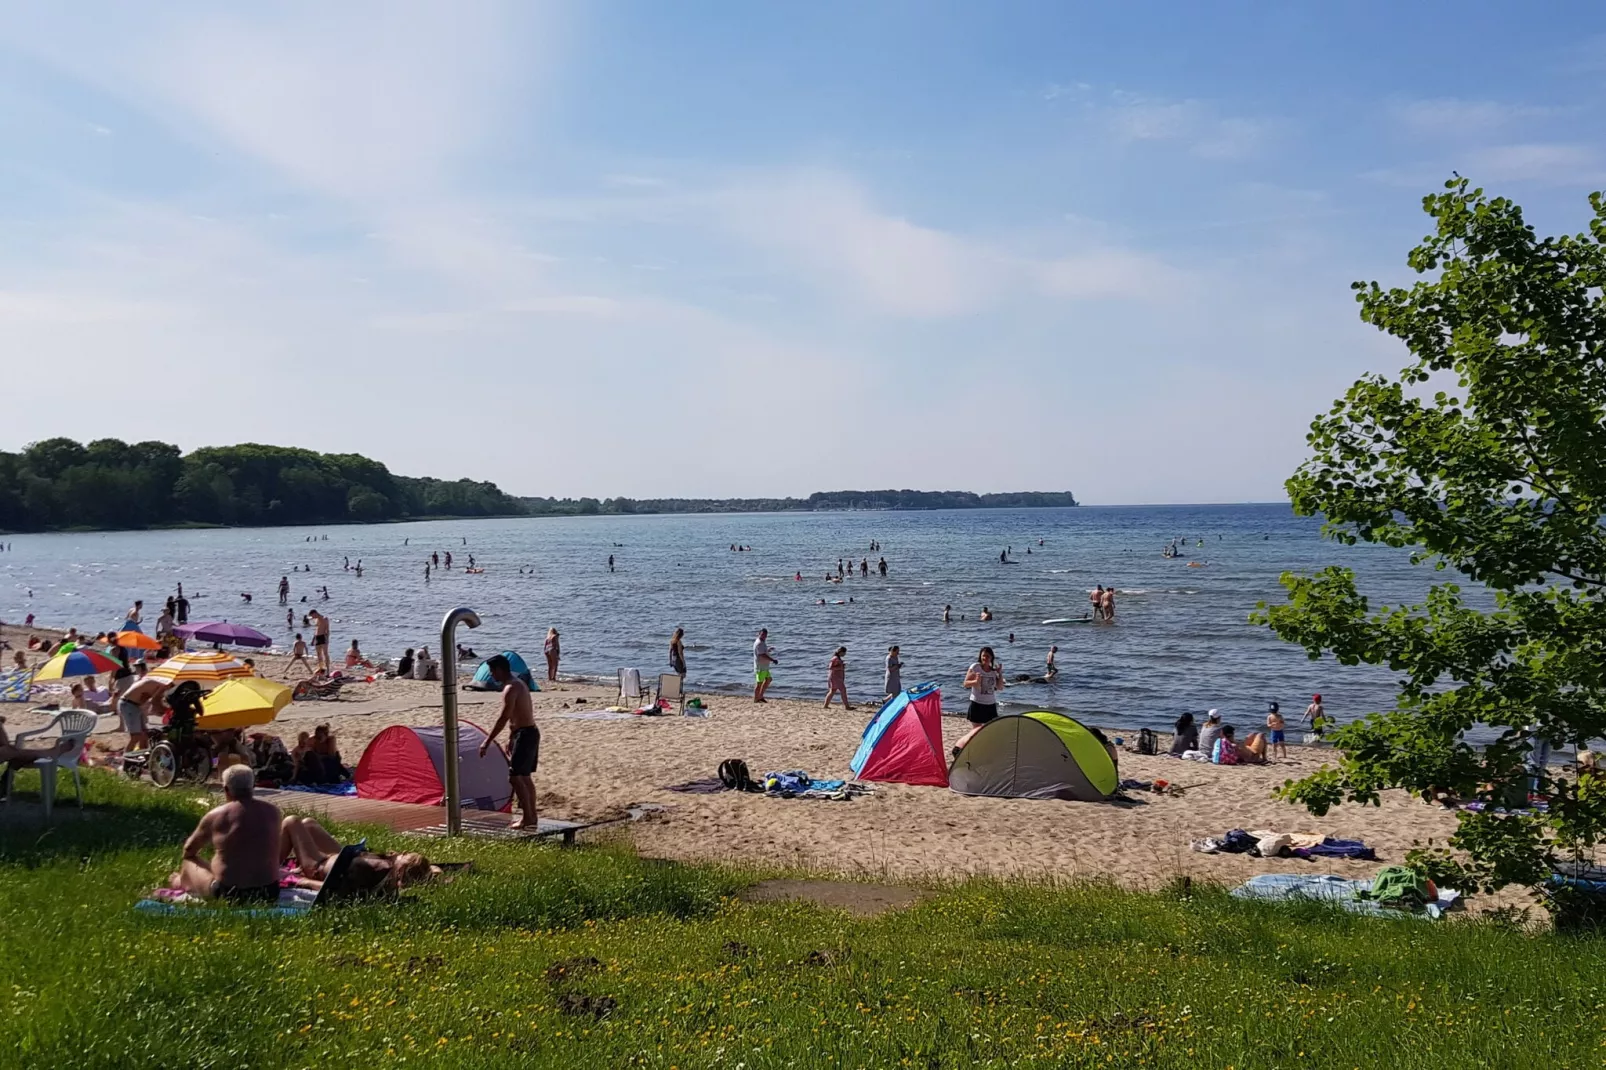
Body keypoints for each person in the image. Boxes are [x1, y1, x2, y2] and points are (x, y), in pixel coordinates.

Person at [170, 765, 282, 903]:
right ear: (252, 786)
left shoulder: (216, 815)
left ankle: (180, 881)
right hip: (269, 892)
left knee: (189, 861)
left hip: (230, 894)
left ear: (226, 790)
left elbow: (189, 849)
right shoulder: (273, 812)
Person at [278, 815, 440, 894]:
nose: (403, 852)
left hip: (318, 867)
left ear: (402, 870)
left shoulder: (379, 874)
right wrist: (430, 871)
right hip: (340, 859)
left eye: (405, 855)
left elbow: (337, 889)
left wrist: (304, 881)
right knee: (309, 824)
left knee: (292, 821)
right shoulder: (386, 869)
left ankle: (267, 871)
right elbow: (433, 870)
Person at [479, 654, 538, 829]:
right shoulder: (519, 684)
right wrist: (512, 737)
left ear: (499, 670)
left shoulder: (511, 687)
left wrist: (487, 741)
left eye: (491, 671)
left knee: (515, 777)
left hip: (526, 734)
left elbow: (504, 717)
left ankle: (528, 817)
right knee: (525, 777)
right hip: (527, 732)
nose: (491, 675)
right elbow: (516, 716)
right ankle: (531, 815)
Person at [118, 674, 168, 751]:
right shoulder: (161, 686)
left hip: (134, 705)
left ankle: (143, 755)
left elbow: (146, 699)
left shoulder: (155, 683)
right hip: (128, 704)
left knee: (144, 735)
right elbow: (154, 703)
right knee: (136, 736)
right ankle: (126, 759)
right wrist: (168, 711)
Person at [962, 647, 1004, 724]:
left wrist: (1000, 673)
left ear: (991, 657)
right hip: (977, 704)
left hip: (990, 705)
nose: (985, 658)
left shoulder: (993, 671)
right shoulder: (975, 667)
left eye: (988, 656)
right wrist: (975, 681)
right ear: (980, 657)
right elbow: (965, 684)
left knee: (990, 730)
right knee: (977, 730)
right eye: (983, 656)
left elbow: (1000, 687)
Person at [752, 628, 777, 703]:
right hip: (760, 667)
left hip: (765, 667)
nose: (764, 636)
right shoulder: (759, 643)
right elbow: (761, 654)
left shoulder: (762, 642)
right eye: (762, 634)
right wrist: (772, 660)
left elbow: (763, 651)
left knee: (769, 679)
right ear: (759, 634)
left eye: (765, 635)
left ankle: (760, 696)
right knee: (759, 683)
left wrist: (768, 649)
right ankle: (756, 699)